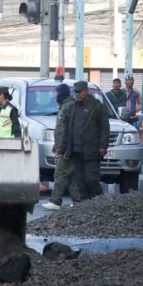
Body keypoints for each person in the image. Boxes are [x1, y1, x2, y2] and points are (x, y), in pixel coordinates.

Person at [59, 80, 109, 200]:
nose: (77, 94)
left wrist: (103, 146)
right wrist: (62, 147)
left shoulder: (96, 106)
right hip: (76, 151)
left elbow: (104, 127)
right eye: (75, 92)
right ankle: (85, 205)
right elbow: (67, 129)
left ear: (86, 91)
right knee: (80, 182)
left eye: (80, 92)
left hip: (91, 150)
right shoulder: (73, 107)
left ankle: (99, 202)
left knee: (91, 179)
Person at [43, 83, 83, 211]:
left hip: (68, 147)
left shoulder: (68, 107)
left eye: (56, 92)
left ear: (62, 93)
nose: (54, 95)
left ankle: (55, 201)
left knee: (60, 173)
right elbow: (60, 130)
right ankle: (79, 201)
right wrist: (57, 144)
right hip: (66, 146)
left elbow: (67, 130)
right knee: (69, 175)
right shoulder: (64, 106)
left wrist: (62, 147)